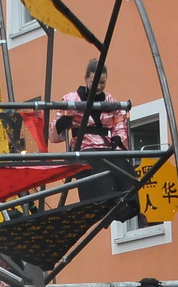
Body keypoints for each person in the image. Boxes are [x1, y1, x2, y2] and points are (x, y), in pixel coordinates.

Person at [50, 60, 135, 217]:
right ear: (86, 79)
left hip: (107, 146)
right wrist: (61, 124)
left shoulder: (110, 100)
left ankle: (128, 202)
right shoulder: (71, 99)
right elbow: (53, 135)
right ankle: (106, 202)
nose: (98, 86)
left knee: (122, 163)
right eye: (94, 82)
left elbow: (119, 123)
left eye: (102, 82)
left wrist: (118, 138)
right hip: (84, 146)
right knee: (98, 164)